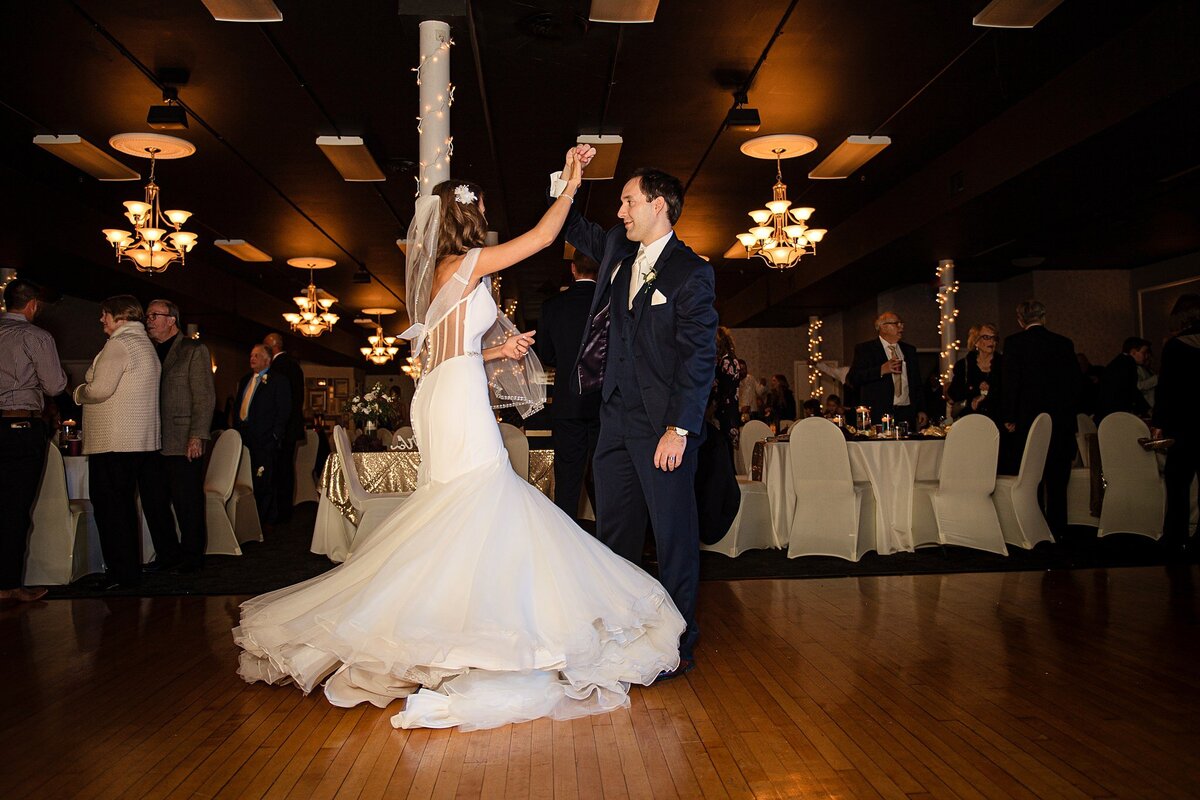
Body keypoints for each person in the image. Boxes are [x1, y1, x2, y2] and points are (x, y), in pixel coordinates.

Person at [235, 160, 684, 731]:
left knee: (460, 506)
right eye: (481, 210)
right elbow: (544, 237)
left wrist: (495, 353)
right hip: (456, 398)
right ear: (465, 219)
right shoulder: (466, 263)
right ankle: (475, 633)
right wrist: (570, 185)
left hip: (444, 388)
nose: (487, 217)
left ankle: (451, 627)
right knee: (481, 498)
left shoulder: (437, 273)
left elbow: (439, 351)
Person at [558, 147, 718, 679]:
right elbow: (572, 222)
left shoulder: (692, 273)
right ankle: (623, 635)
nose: (621, 212)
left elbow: (699, 358)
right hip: (614, 423)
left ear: (658, 206)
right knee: (615, 537)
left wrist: (679, 429)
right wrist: (570, 175)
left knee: (673, 537)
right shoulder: (615, 254)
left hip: (663, 429)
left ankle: (677, 644)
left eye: (628, 202)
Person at [73, 296, 161, 590]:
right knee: (122, 507)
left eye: (105, 315)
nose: (102, 320)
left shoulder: (119, 344)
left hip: (113, 440)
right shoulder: (144, 344)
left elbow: (99, 389)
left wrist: (79, 392)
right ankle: (127, 573)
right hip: (136, 441)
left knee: (112, 509)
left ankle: (121, 575)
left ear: (119, 315)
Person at [0, 279, 66, 602]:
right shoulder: (36, 336)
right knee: (14, 508)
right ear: (32, 305)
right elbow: (54, 386)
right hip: (20, 427)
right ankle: (8, 584)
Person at [141, 299, 215, 573]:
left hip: (182, 439)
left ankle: (192, 558)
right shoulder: (147, 351)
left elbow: (204, 397)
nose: (148, 320)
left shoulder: (193, 350)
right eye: (147, 315)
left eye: (154, 315)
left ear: (171, 319)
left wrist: (197, 435)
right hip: (149, 440)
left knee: (187, 503)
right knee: (154, 502)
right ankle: (167, 555)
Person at [1001, 300, 1081, 538]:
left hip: (1029, 421)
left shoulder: (1015, 344)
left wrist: (1009, 416)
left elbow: (1011, 383)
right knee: (1058, 481)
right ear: (1044, 318)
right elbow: (1076, 383)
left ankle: (1034, 528)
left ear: (1020, 320)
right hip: (1061, 421)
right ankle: (1058, 530)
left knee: (1031, 477)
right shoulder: (1064, 344)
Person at [536, 252, 601, 523]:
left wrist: (565, 362)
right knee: (605, 478)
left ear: (573, 269)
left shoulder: (553, 306)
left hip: (568, 403)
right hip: (604, 404)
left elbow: (545, 354)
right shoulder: (611, 303)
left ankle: (567, 545)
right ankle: (611, 549)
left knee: (567, 480)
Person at [1152, 294, 1200, 558]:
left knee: (1178, 482)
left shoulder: (1176, 346)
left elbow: (1166, 389)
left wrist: (1159, 422)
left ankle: (1176, 537)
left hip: (1184, 424)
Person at [233, 344, 291, 527]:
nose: (252, 358)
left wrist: (275, 436)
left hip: (265, 439)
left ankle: (264, 521)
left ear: (267, 360)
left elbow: (284, 410)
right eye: (251, 355)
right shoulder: (245, 380)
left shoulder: (278, 380)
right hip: (244, 437)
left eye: (257, 355)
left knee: (264, 481)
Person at [849, 312, 927, 429]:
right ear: (883, 327)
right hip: (879, 413)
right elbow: (853, 378)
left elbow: (916, 382)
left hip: (906, 412)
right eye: (897, 323)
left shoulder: (909, 350)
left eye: (901, 323)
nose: (901, 327)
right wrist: (880, 370)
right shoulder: (866, 349)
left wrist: (921, 409)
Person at [263, 333, 305, 523]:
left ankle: (280, 512)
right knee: (285, 469)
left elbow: (283, 402)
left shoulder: (280, 367)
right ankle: (283, 510)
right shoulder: (294, 364)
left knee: (280, 470)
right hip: (291, 426)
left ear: (273, 347)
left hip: (283, 428)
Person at [1095, 336, 1151, 422]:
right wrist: (1147, 409)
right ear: (1133, 352)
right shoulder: (1128, 365)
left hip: (1106, 413)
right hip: (1114, 414)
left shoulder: (1119, 362)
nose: (1146, 356)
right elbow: (1132, 390)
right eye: (1144, 353)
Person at [712, 327, 745, 455]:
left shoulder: (725, 361)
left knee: (722, 448)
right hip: (730, 409)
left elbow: (722, 389)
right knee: (726, 449)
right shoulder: (732, 359)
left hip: (723, 410)